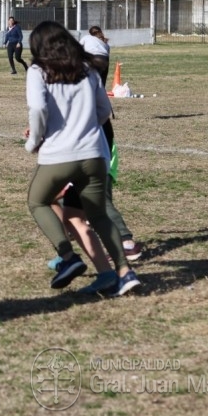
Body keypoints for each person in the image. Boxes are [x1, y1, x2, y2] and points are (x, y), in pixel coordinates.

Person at [24, 20, 140, 297]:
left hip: (60, 155)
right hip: (95, 153)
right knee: (97, 215)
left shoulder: (38, 70)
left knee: (38, 200)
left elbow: (38, 108)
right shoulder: (87, 69)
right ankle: (124, 273)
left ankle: (67, 256)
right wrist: (85, 128)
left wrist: (34, 141)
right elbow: (104, 110)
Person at [76, 26, 143, 261]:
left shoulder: (84, 78)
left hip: (94, 140)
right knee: (100, 193)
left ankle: (125, 240)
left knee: (95, 196)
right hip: (104, 135)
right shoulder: (94, 76)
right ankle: (106, 236)